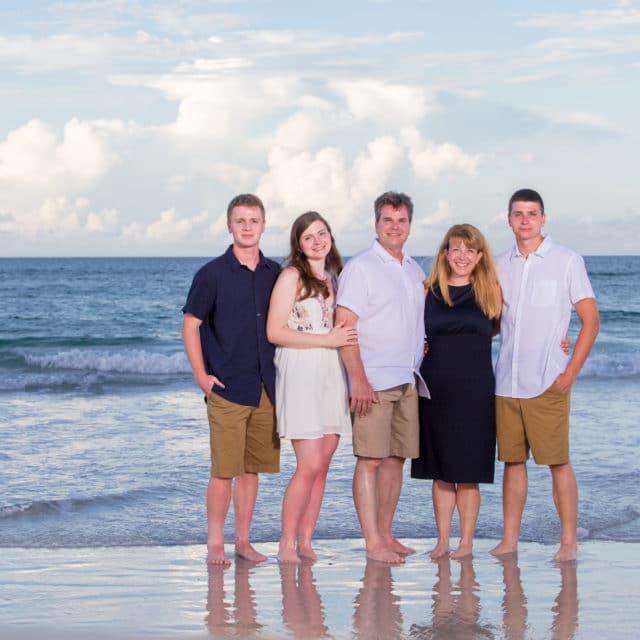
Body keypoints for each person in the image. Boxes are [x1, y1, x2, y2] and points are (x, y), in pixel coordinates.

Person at [490, 188, 599, 562]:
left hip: (548, 379)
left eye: (531, 213)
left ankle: (568, 541)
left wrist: (569, 373)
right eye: (518, 213)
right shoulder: (498, 263)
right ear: (508, 219)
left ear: (543, 218)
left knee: (558, 462)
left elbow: (590, 321)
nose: (525, 219)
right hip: (506, 380)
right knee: (512, 463)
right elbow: (491, 321)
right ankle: (509, 540)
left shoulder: (567, 261)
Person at [182, 193, 281, 566]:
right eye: (240, 221)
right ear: (229, 225)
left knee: (252, 469)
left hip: (265, 389)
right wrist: (200, 375)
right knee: (224, 471)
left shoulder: (275, 273)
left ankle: (243, 541)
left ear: (263, 225)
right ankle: (214, 543)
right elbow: (190, 325)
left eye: (253, 220)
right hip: (226, 387)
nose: (247, 227)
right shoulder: (211, 275)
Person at [336, 191, 426, 564]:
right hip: (372, 380)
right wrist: (358, 379)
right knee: (370, 460)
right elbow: (344, 325)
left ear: (409, 225)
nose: (394, 226)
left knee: (395, 460)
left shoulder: (414, 269)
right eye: (387, 220)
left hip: (408, 379)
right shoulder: (360, 268)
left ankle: (386, 533)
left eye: (401, 220)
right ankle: (373, 542)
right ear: (376, 224)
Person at [266, 212, 356, 564]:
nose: (317, 240)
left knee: (324, 463)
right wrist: (327, 338)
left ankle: (306, 541)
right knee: (309, 463)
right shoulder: (291, 277)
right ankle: (286, 543)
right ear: (298, 245)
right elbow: (275, 332)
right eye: (308, 237)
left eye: (322, 233)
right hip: (301, 369)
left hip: (331, 371)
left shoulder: (336, 277)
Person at [411, 224, 502, 559]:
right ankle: (443, 540)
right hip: (435, 388)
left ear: (479, 256)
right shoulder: (428, 291)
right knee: (441, 470)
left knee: (468, 472)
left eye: (470, 250)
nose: (462, 256)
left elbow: (525, 328)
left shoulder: (492, 291)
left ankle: (466, 542)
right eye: (456, 249)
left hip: (477, 390)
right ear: (445, 253)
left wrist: (560, 341)